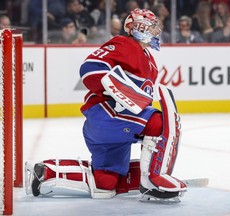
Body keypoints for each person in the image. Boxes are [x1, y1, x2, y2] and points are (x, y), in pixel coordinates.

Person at [27, 8, 187, 200]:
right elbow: (90, 69)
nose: (154, 32)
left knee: (105, 184)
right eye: (150, 27)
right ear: (136, 27)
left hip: (112, 128)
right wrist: (118, 91)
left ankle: (47, 172)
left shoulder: (150, 61)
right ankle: (154, 177)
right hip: (108, 114)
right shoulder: (124, 44)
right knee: (160, 123)